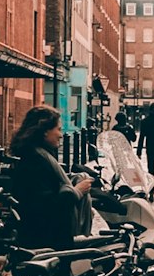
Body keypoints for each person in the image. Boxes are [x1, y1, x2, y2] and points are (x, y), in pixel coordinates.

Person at [9, 106, 94, 249]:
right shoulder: (36, 160)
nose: (61, 135)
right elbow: (43, 205)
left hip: (47, 237)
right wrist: (77, 191)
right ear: (45, 131)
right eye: (58, 129)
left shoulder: (40, 155)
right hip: (46, 240)